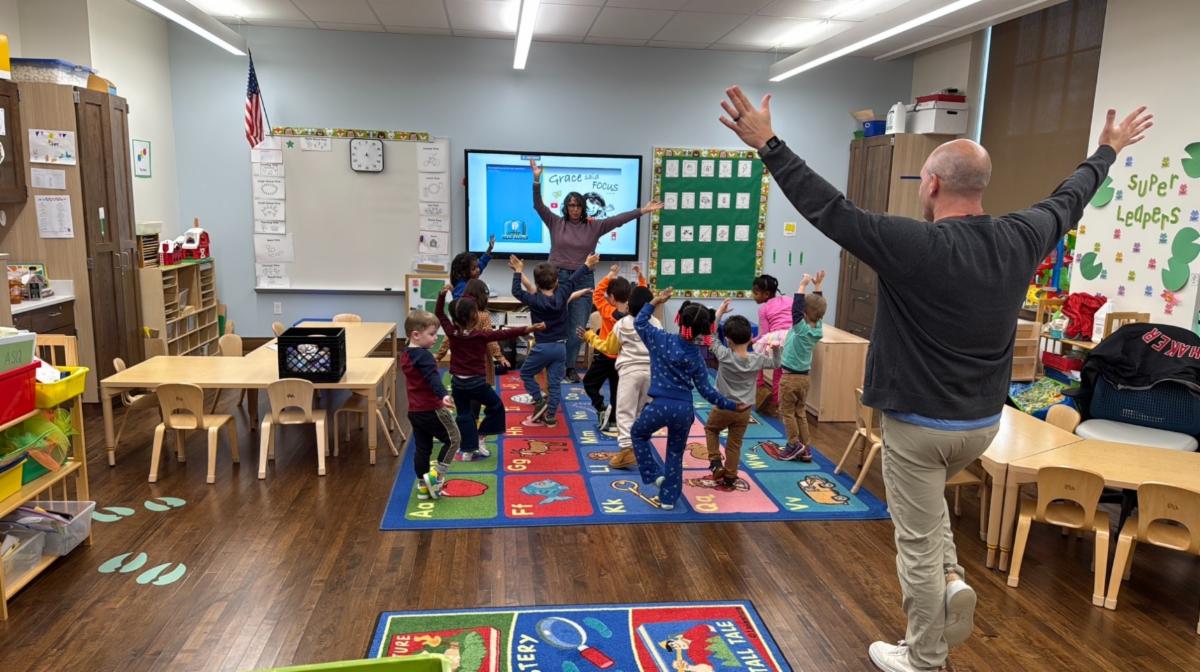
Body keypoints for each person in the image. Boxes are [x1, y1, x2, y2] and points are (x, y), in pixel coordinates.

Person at [719, 84, 1151, 672]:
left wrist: (768, 144)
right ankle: (951, 581)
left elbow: (831, 211)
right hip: (981, 424)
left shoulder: (913, 243)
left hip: (918, 428)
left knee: (915, 540)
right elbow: (1070, 197)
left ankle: (924, 656)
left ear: (933, 185)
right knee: (932, 519)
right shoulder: (1023, 235)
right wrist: (1105, 149)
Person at [529, 158, 663, 383]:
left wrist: (643, 210)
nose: (574, 209)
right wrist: (536, 179)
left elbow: (619, 219)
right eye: (571, 205)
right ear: (566, 207)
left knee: (578, 328)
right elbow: (538, 205)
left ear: (583, 207)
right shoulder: (555, 222)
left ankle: (569, 367)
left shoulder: (594, 226)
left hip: (582, 279)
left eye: (578, 205)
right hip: (556, 280)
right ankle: (551, 366)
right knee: (552, 326)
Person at [629, 289, 748, 510]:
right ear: (704, 330)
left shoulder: (660, 339)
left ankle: (654, 474)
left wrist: (655, 301)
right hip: (684, 411)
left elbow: (640, 322)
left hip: (660, 405)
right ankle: (668, 499)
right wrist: (732, 405)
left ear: (679, 319)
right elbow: (707, 392)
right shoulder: (697, 357)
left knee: (637, 432)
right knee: (674, 453)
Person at [435, 284, 543, 461]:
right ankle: (480, 435)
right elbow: (505, 333)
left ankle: (468, 450)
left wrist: (441, 296)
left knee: (464, 415)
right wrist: (529, 329)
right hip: (476, 384)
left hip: (457, 383)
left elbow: (439, 314)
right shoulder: (480, 335)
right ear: (473, 317)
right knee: (496, 407)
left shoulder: (452, 332)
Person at [510, 253, 598, 428]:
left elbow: (516, 291)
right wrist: (587, 264)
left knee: (526, 374)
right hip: (560, 349)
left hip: (542, 348)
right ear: (557, 281)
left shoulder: (534, 299)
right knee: (555, 384)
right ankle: (551, 416)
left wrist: (518, 272)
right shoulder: (563, 294)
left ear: (537, 284)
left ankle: (538, 400)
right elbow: (574, 279)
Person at [579, 285, 657, 469]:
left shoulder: (622, 324)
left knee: (624, 412)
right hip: (650, 373)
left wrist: (590, 336)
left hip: (630, 372)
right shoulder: (655, 322)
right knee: (640, 412)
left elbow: (610, 348)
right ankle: (638, 446)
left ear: (630, 305)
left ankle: (626, 451)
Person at [705, 301, 780, 487]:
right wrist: (776, 350)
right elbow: (776, 364)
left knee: (711, 430)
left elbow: (710, 335)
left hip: (723, 406)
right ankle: (730, 476)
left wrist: (719, 312)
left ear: (728, 340)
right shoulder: (757, 359)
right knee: (734, 443)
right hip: (745, 410)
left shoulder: (724, 354)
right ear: (750, 339)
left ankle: (715, 464)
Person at [399, 310, 460, 501]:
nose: (436, 338)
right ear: (416, 335)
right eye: (432, 334)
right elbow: (433, 378)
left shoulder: (406, 354)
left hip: (415, 411)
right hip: (432, 409)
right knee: (454, 439)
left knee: (423, 448)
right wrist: (443, 395)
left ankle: (423, 485)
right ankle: (437, 477)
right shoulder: (424, 357)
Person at [583, 264, 647, 435]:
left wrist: (610, 274)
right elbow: (644, 298)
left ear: (611, 297)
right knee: (617, 391)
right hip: (623, 359)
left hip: (605, 355)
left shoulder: (607, 311)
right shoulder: (633, 314)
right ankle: (614, 420)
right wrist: (640, 278)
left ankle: (601, 407)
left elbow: (597, 294)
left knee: (589, 383)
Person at [777, 272, 827, 462]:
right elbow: (817, 307)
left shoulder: (801, 329)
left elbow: (796, 310)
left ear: (804, 313)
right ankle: (806, 449)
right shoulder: (818, 328)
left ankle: (793, 444)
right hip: (805, 378)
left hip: (790, 378)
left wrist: (802, 286)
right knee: (800, 412)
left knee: (787, 413)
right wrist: (818, 286)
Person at [750, 274, 791, 414]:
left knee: (757, 356)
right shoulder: (788, 299)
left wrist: (752, 341)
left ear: (766, 294)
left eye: (756, 293)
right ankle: (776, 402)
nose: (753, 296)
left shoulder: (763, 309)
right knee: (779, 370)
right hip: (792, 338)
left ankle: (760, 386)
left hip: (776, 339)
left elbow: (764, 335)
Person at [461, 279, 511, 385]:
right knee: (479, 388)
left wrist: (439, 355)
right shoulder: (483, 316)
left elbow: (450, 336)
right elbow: (490, 338)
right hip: (479, 358)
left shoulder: (460, 315)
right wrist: (499, 356)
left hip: (462, 357)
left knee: (465, 386)